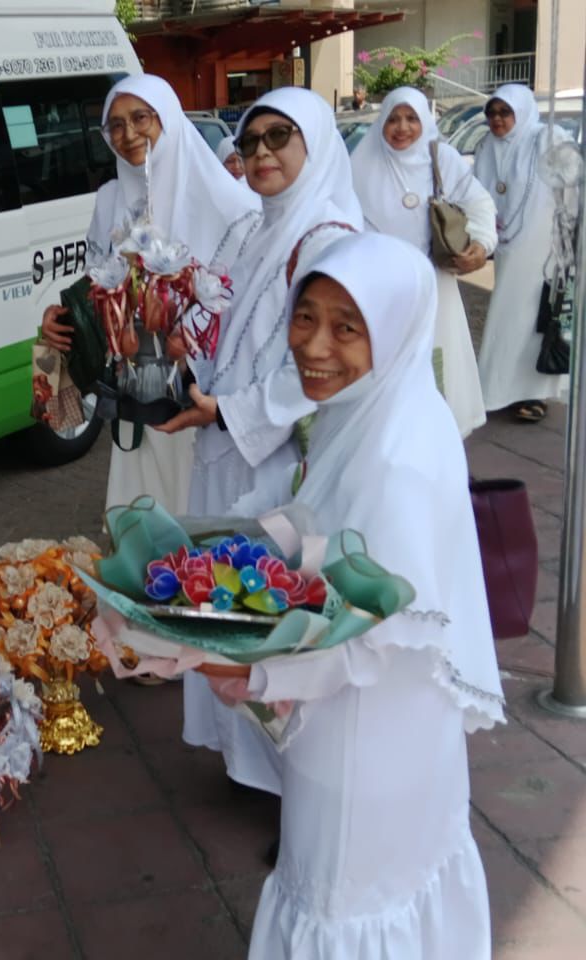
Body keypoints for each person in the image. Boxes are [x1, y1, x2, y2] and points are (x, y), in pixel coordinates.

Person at [222, 231, 504, 957]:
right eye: (304, 315)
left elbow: (367, 634)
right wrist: (235, 553)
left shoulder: (397, 456)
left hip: (365, 729)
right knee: (392, 878)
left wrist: (253, 671)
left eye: (348, 327)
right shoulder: (385, 404)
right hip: (401, 725)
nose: (314, 345)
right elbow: (333, 526)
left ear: (396, 326)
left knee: (343, 891)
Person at [158, 87, 364, 796]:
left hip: (282, 460)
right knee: (227, 605)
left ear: (315, 145)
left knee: (272, 613)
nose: (262, 154)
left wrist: (227, 410)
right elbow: (215, 321)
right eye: (249, 143)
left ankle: (298, 787)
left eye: (280, 138)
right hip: (225, 443)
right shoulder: (252, 229)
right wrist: (178, 363)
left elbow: (320, 366)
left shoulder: (330, 237)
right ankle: (252, 763)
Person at [40, 75, 258, 517]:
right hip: (134, 405)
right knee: (140, 524)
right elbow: (95, 286)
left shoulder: (231, 206)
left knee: (199, 532)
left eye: (140, 118)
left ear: (169, 121)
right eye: (115, 125)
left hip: (204, 407)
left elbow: (252, 308)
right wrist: (61, 318)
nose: (128, 134)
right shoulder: (109, 200)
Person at [351, 86, 495, 437]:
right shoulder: (361, 164)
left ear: (425, 120)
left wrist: (480, 245)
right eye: (393, 119)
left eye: (412, 118)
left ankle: (439, 444)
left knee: (437, 358)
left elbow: (480, 205)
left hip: (434, 286)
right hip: (381, 291)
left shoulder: (441, 159)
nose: (402, 128)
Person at [474, 83, 576, 422]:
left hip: (542, 248)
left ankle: (533, 393)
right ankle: (500, 388)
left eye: (505, 112)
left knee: (534, 319)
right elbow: (481, 192)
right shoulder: (488, 147)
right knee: (506, 317)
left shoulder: (545, 137)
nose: (497, 119)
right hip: (507, 245)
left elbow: (572, 178)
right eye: (492, 113)